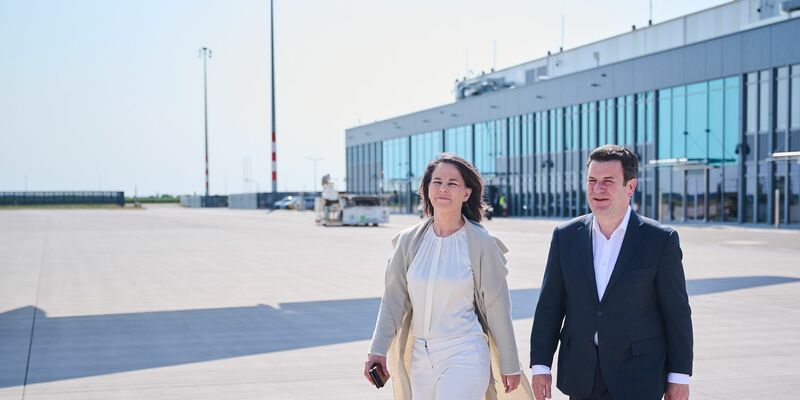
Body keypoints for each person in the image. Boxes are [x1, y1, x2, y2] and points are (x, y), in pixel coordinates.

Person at [529, 145, 693, 400]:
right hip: (582, 374)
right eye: (592, 180)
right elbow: (549, 306)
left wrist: (679, 376)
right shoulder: (565, 237)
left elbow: (677, 312)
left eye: (608, 181)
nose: (598, 189)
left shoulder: (660, 240)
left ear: (631, 186)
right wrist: (541, 366)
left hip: (638, 376)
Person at [364, 153, 534, 400]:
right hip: (421, 357)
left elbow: (498, 306)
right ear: (427, 189)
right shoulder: (408, 241)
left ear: (466, 193)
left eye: (452, 183)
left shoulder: (481, 243)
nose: (443, 188)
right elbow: (392, 301)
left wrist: (510, 362)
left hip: (464, 351)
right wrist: (376, 350)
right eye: (437, 182)